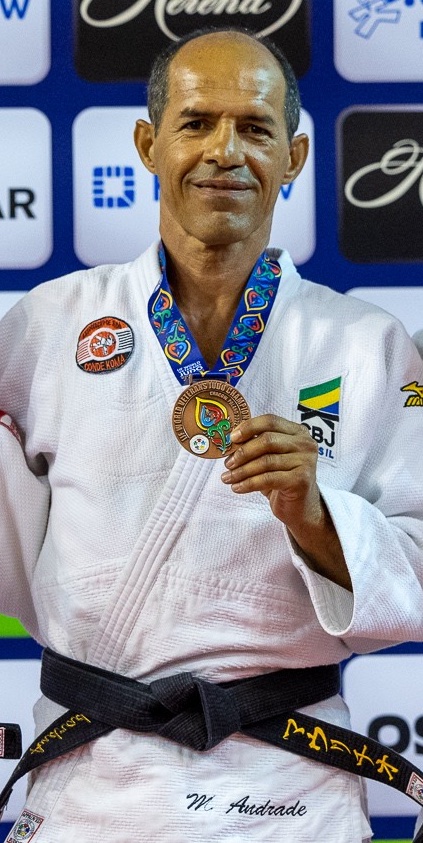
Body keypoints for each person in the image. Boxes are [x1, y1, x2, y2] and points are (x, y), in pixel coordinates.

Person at [0, 27, 422, 843]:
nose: (223, 150)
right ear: (147, 144)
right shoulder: (49, 325)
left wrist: (317, 517)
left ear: (295, 157)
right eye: (196, 123)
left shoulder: (369, 345)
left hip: (282, 789)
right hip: (94, 779)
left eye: (255, 129)